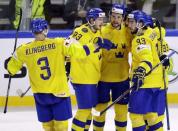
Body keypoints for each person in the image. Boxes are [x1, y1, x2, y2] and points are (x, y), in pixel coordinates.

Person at [5, 18, 113, 131]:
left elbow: (11, 69)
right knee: (61, 126)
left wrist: (8, 62)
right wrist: (96, 45)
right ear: (46, 30)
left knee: (47, 126)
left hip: (40, 95)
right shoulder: (59, 43)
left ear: (32, 31)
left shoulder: (23, 50)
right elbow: (81, 52)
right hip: (59, 93)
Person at [68, 8, 113, 131]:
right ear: (91, 20)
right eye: (99, 19)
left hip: (92, 78)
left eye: (102, 19)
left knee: (89, 111)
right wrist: (95, 45)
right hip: (82, 78)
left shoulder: (98, 31)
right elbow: (69, 50)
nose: (102, 22)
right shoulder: (80, 32)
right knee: (84, 110)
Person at [93, 3, 132, 131]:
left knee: (121, 112)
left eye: (119, 17)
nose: (115, 20)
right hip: (103, 78)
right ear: (109, 16)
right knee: (99, 111)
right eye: (113, 16)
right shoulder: (101, 30)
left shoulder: (128, 32)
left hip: (122, 78)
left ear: (123, 18)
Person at [127, 10, 164, 131]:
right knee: (151, 115)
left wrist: (140, 71)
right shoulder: (152, 32)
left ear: (141, 24)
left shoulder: (139, 39)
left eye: (132, 22)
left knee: (135, 115)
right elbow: (161, 30)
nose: (129, 25)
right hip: (156, 82)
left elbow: (146, 59)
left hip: (145, 82)